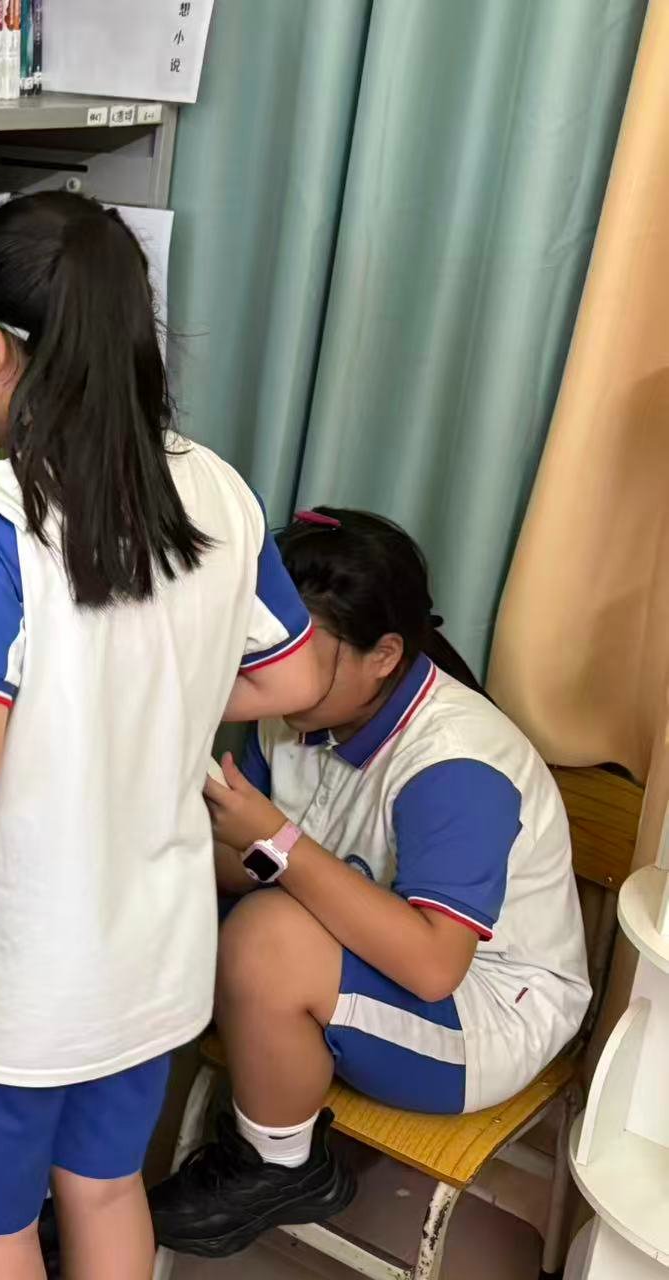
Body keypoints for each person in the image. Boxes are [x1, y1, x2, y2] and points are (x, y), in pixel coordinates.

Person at [0, 191, 325, 1280]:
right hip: (151, 957)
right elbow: (294, 673)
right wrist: (155, 695)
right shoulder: (215, 488)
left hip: (8, 974)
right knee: (106, 1189)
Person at [150, 509, 592, 1259]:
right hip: (372, 950)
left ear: (384, 654)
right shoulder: (295, 707)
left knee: (263, 938)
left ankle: (280, 1164)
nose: (270, 669)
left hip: (482, 1014)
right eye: (265, 643)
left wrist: (274, 842)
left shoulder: (454, 764)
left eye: (298, 650)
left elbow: (433, 966)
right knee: (179, 895)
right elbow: (238, 859)